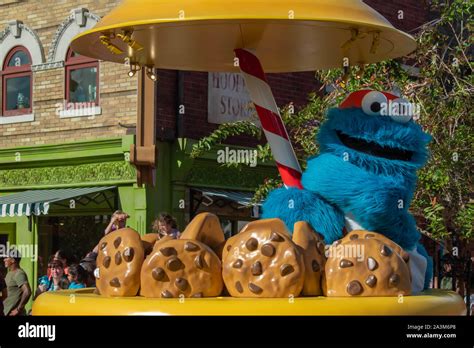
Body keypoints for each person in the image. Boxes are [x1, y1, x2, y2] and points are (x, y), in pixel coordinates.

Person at [3, 247, 32, 316]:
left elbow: (27, 291)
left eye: (6, 257)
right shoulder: (9, 273)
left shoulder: (19, 273)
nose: (4, 260)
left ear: (13, 260)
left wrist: (18, 309)